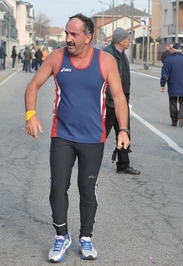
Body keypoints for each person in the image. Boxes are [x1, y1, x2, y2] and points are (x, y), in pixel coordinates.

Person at [24, 13, 130, 263]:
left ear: (88, 37)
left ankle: (86, 237)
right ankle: (61, 236)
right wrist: (30, 114)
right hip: (62, 135)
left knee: (87, 189)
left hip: (93, 137)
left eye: (74, 34)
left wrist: (123, 130)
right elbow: (33, 85)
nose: (68, 39)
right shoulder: (57, 57)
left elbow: (119, 97)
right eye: (66, 34)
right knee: (57, 187)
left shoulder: (105, 61)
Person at [103, 27, 141, 175]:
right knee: (101, 135)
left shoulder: (122, 54)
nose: (130, 41)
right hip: (109, 104)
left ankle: (123, 165)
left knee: (124, 132)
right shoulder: (107, 54)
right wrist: (111, 99)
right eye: (127, 39)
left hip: (122, 103)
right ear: (120, 40)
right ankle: (89, 162)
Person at [160, 43, 183, 127]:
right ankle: (181, 115)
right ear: (182, 50)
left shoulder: (168, 60)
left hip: (172, 83)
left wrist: (162, 85)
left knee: (173, 102)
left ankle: (174, 121)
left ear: (173, 50)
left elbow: (164, 73)